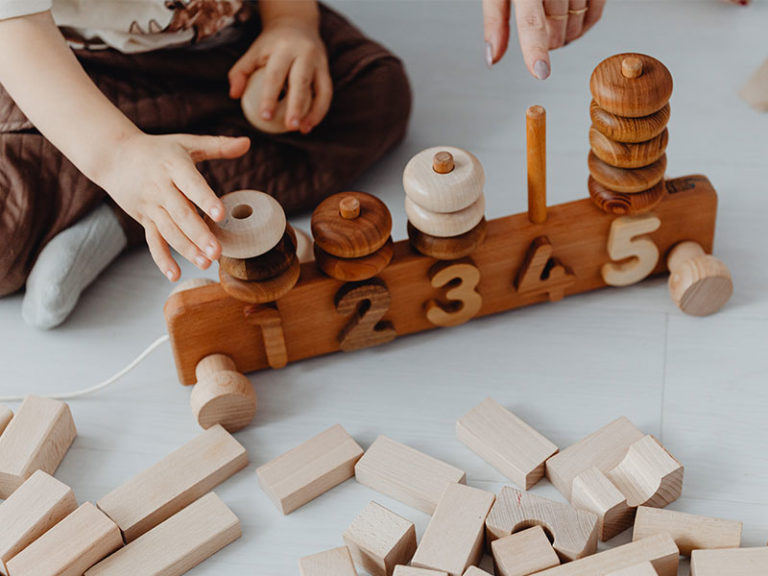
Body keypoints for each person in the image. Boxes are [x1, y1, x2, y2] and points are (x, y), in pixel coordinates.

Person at [0, 0, 412, 329]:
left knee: (373, 95)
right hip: (70, 74)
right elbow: (17, 30)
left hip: (230, 46)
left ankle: (130, 210)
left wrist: (291, 23)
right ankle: (132, 180)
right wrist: (116, 156)